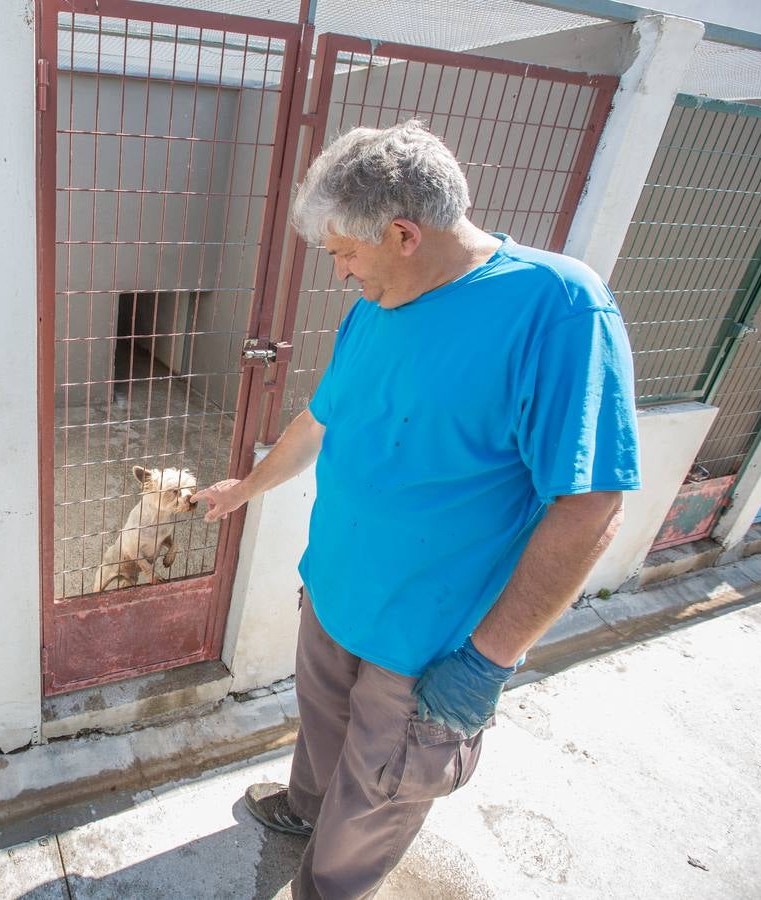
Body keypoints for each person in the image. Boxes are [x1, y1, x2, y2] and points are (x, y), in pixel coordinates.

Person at [193, 121, 640, 899]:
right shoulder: (377, 305)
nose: (338, 271)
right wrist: (246, 488)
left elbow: (592, 505)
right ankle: (304, 811)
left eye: (343, 252)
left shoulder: (557, 308)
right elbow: (321, 420)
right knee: (323, 738)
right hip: (334, 598)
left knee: (380, 791)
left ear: (403, 232)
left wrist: (489, 660)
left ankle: (326, 888)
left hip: (429, 647)